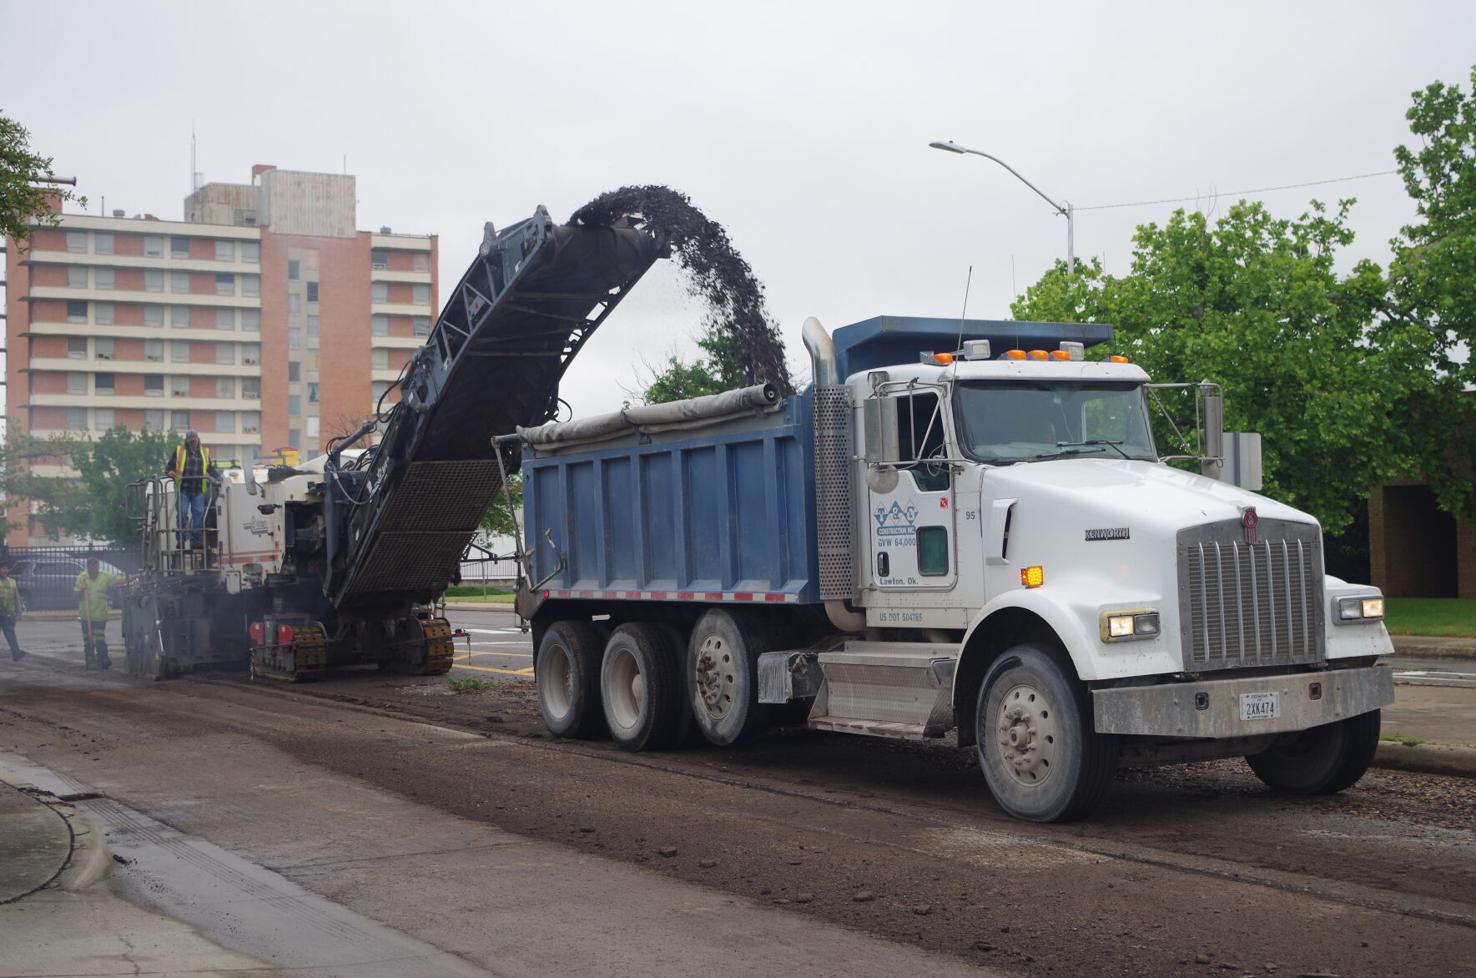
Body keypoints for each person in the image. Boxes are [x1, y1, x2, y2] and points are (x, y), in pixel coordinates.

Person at [166, 430, 215, 550]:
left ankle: (196, 541)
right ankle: (182, 539)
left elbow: (210, 469)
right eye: (190, 439)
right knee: (182, 514)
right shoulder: (180, 451)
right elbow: (169, 467)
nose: (193, 441)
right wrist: (169, 472)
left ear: (198, 439)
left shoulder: (204, 452)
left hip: (198, 490)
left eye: (195, 438)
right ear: (186, 441)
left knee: (198, 514)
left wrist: (218, 478)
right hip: (183, 489)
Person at [74, 557, 115, 670]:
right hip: (86, 615)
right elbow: (76, 595)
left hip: (100, 614)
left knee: (99, 638)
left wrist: (133, 578)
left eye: (95, 567)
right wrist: (82, 590)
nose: (94, 569)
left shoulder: (105, 576)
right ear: (88, 567)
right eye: (91, 567)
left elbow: (116, 581)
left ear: (98, 567)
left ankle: (103, 658)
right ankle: (90, 658)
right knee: (88, 639)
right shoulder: (82, 578)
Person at [0, 561, 26, 662]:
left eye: (7, 568)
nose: (5, 570)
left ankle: (16, 653)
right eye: (3, 568)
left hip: (8, 614)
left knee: (11, 634)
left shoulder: (12, 581)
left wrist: (19, 611)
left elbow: (16, 598)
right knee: (10, 634)